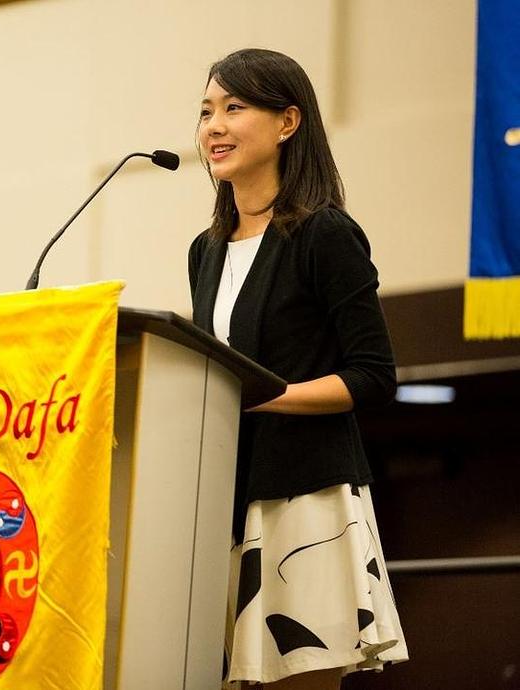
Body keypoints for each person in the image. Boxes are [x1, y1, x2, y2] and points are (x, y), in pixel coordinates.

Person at [188, 49, 409, 689]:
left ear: (287, 123)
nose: (214, 127)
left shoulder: (324, 234)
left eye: (234, 108)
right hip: (224, 498)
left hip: (305, 502)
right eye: (206, 112)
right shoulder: (205, 251)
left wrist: (260, 396)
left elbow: (373, 374)